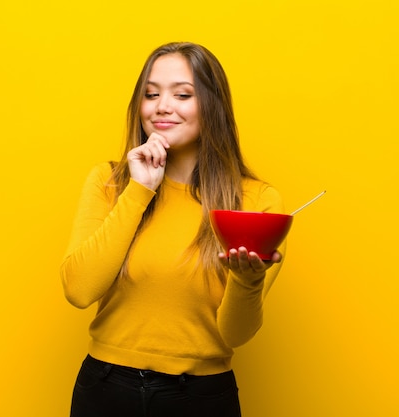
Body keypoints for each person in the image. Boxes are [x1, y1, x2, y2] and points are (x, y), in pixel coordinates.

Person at [60, 41, 286, 417]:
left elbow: (234, 335)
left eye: (182, 94)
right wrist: (139, 190)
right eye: (151, 94)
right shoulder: (109, 182)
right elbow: (79, 289)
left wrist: (248, 281)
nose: (162, 106)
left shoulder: (257, 201)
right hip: (105, 389)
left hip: (200, 397)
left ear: (213, 107)